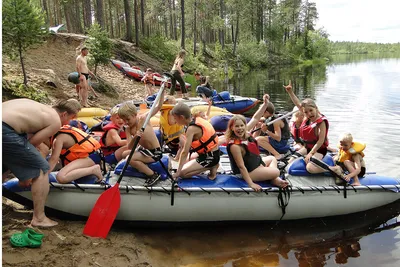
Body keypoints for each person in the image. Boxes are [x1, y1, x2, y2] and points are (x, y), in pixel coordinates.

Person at [2, 98, 81, 227]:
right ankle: (39, 218)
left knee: (4, 165)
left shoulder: (40, 108)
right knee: (41, 168)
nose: (68, 123)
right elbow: (32, 144)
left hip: (6, 125)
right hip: (5, 129)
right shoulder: (55, 120)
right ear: (64, 114)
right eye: (70, 119)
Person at [225, 95, 289, 192]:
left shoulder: (245, 132)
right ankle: (274, 178)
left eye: (242, 125)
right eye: (236, 126)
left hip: (255, 165)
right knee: (276, 171)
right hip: (248, 172)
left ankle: (273, 179)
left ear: (245, 126)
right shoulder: (235, 146)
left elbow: (255, 118)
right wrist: (251, 183)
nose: (240, 128)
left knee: (272, 158)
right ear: (231, 128)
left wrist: (265, 104)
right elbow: (241, 167)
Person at [284, 81, 329, 174]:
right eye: (306, 112)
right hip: (307, 147)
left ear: (316, 108)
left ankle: (333, 169)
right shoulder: (306, 117)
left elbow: (320, 141)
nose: (309, 114)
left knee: (310, 168)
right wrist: (290, 92)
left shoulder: (321, 123)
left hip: (319, 150)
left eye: (311, 110)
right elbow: (297, 103)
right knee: (289, 161)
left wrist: (311, 154)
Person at [118, 101, 163, 186]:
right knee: (124, 154)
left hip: (154, 152)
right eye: (124, 120)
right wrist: (135, 136)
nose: (126, 122)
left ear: (135, 115)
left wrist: (163, 91)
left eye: (128, 119)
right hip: (143, 150)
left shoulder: (143, 119)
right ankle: (139, 166)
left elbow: (158, 107)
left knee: (129, 159)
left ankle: (152, 175)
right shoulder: (128, 129)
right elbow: (130, 147)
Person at [171, 102, 220, 180]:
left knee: (182, 174)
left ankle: (212, 165)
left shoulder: (191, 129)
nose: (174, 121)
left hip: (210, 157)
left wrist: (178, 172)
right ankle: (212, 165)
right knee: (185, 163)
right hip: (211, 153)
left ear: (181, 117)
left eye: (175, 118)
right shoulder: (195, 119)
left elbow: (185, 152)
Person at [153, 94, 186, 161]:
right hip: (174, 140)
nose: (176, 104)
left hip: (172, 138)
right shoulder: (171, 112)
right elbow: (172, 122)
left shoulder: (164, 111)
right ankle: (177, 158)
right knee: (186, 145)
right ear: (170, 103)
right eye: (174, 103)